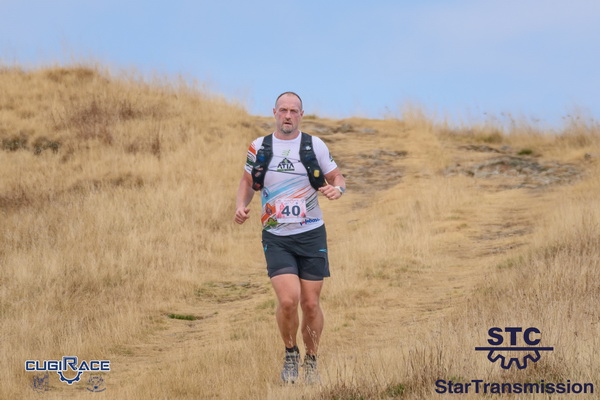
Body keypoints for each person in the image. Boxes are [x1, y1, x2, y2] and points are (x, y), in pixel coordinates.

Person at [234, 92, 346, 384]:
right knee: (288, 300)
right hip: (277, 236)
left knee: (310, 304)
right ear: (274, 112)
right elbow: (247, 181)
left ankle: (312, 360)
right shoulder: (259, 146)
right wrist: (240, 206)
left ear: (301, 114)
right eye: (283, 110)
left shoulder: (314, 145)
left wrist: (338, 190)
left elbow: (337, 177)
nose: (287, 115)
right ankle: (291, 353)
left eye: (293, 111)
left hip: (311, 234)